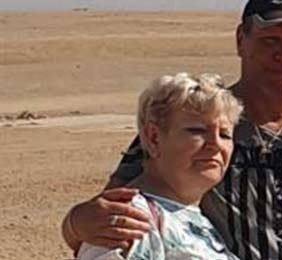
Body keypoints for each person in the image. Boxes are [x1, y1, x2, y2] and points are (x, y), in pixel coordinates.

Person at [63, 0, 282, 260]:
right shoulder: (196, 117)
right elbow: (112, 213)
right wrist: (76, 222)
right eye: (271, 40)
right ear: (241, 40)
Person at [77, 73, 242, 260]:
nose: (216, 144)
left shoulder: (190, 218)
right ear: (153, 138)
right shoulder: (130, 220)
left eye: (225, 135)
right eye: (197, 130)